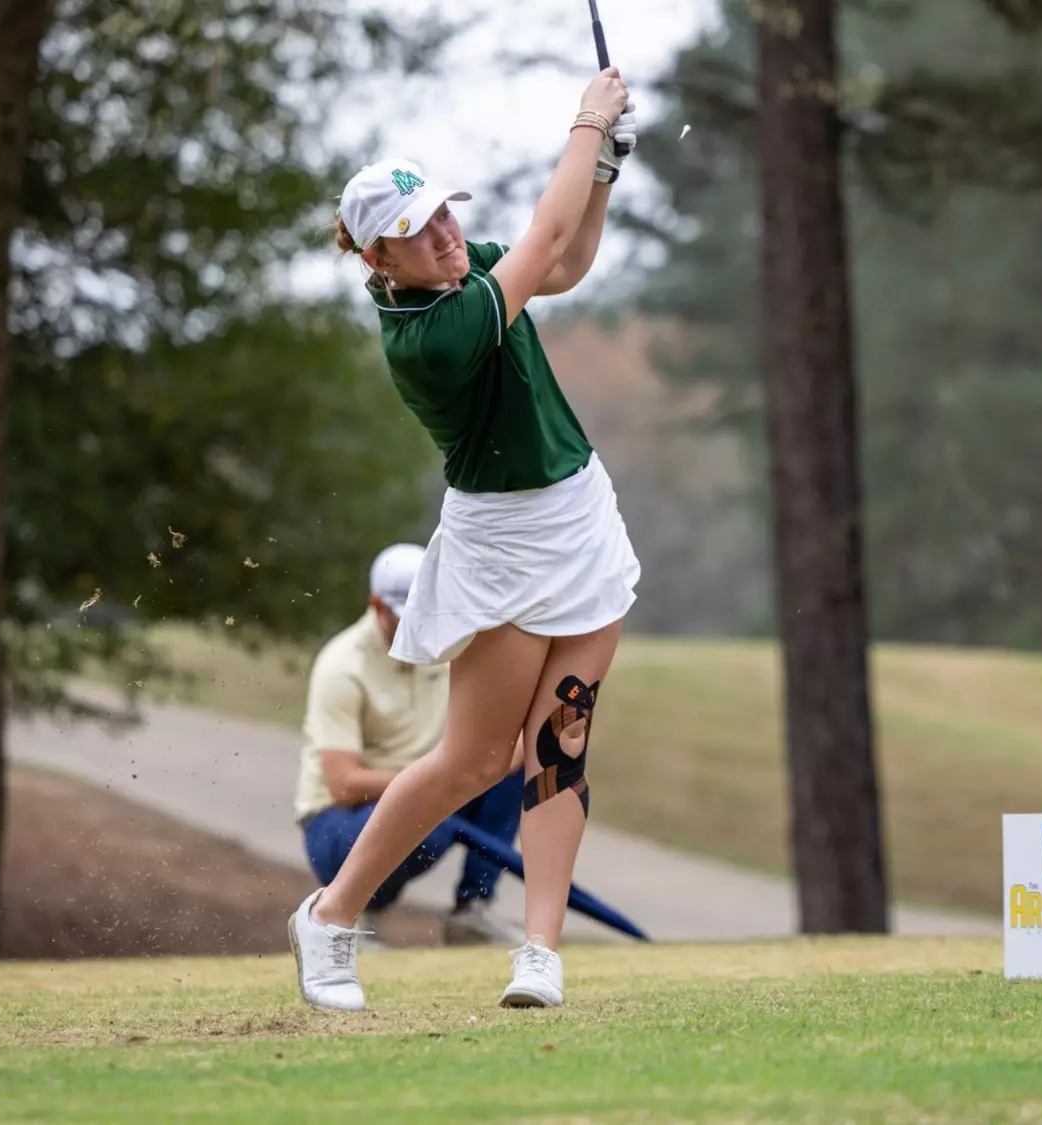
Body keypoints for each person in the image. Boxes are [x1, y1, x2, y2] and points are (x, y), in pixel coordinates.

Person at [288, 68, 641, 1012]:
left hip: (580, 518)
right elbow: (548, 237)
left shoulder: (460, 269)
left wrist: (602, 165)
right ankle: (329, 917)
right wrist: (587, 122)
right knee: (473, 760)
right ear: (380, 261)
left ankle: (539, 954)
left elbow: (563, 264)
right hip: (505, 545)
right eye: (422, 232)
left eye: (446, 215)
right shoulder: (431, 334)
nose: (448, 235)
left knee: (561, 745)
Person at [294, 543, 525, 949]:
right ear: (376, 605)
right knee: (427, 822)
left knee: (512, 772)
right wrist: (433, 781)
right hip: (337, 824)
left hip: (424, 796)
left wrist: (494, 758)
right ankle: (351, 914)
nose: (413, 628)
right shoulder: (342, 665)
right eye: (403, 617)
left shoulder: (449, 645)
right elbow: (344, 784)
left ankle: (472, 910)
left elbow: (508, 742)